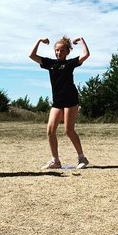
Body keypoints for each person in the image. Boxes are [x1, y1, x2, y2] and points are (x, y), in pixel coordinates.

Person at [29, 36, 90, 170]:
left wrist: (81, 40)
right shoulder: (50, 63)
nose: (58, 53)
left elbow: (86, 54)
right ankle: (55, 161)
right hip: (57, 101)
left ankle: (82, 158)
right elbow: (31, 55)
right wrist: (39, 40)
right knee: (50, 131)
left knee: (69, 130)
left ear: (67, 52)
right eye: (56, 50)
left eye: (62, 50)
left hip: (70, 100)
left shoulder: (70, 64)